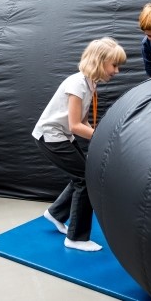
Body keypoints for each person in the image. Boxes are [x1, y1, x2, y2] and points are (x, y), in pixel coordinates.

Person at [32, 37, 126, 252]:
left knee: (82, 176)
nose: (117, 71)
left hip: (62, 136)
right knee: (86, 179)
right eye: (114, 65)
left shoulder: (89, 83)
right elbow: (75, 125)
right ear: (99, 61)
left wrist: (98, 137)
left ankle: (55, 214)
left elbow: (83, 122)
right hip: (51, 137)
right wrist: (103, 138)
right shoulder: (77, 83)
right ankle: (76, 237)